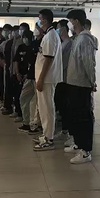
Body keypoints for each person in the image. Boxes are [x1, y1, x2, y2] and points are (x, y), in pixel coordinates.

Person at [64, 9, 97, 165]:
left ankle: (86, 150)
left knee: (84, 118)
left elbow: (88, 63)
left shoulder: (85, 39)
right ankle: (78, 143)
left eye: (71, 21)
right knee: (76, 116)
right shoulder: (78, 38)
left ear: (76, 21)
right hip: (74, 83)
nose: (70, 24)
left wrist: (92, 81)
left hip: (82, 84)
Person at [33, 8, 62, 151]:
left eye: (40, 19)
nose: (38, 22)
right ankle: (46, 134)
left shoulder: (51, 36)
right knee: (44, 108)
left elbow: (48, 59)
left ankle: (48, 139)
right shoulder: (49, 35)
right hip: (45, 78)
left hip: (46, 79)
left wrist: (41, 79)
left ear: (44, 20)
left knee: (47, 109)